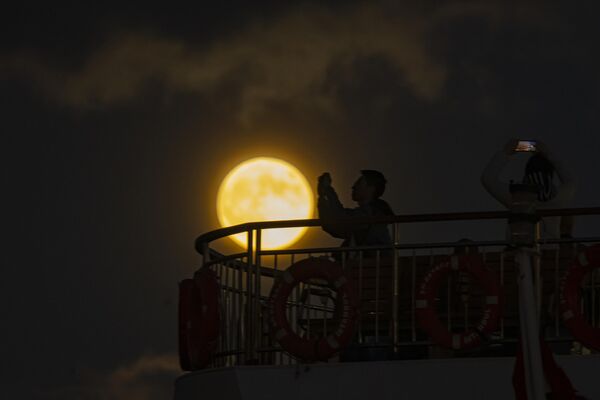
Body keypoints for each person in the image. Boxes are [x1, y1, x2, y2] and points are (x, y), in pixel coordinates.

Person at [481, 139, 576, 240]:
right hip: (550, 251)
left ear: (526, 176)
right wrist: (549, 154)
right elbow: (571, 181)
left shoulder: (515, 196)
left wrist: (506, 152)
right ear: (550, 175)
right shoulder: (559, 197)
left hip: (518, 250)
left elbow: (487, 178)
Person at [317, 170, 394, 253]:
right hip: (369, 261)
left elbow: (340, 219)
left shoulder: (372, 213)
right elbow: (334, 226)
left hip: (372, 261)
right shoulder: (371, 212)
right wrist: (323, 198)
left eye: (359, 183)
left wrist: (328, 191)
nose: (353, 186)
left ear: (371, 188)